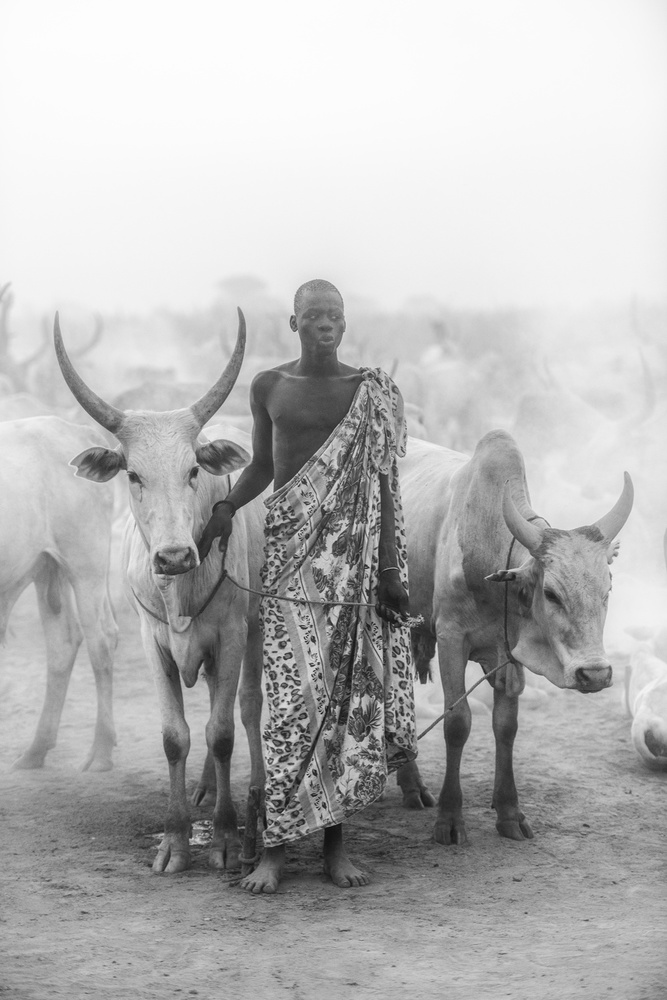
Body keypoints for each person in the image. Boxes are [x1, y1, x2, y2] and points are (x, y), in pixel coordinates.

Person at [198, 279, 417, 893]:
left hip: (352, 572)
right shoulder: (269, 386)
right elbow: (265, 467)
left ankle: (334, 848)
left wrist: (392, 573)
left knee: (343, 710)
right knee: (289, 712)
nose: (326, 323)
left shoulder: (369, 393)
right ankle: (273, 851)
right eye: (314, 315)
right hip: (290, 565)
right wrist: (226, 509)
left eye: (335, 315)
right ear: (292, 321)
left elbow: (384, 486)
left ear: (346, 324)